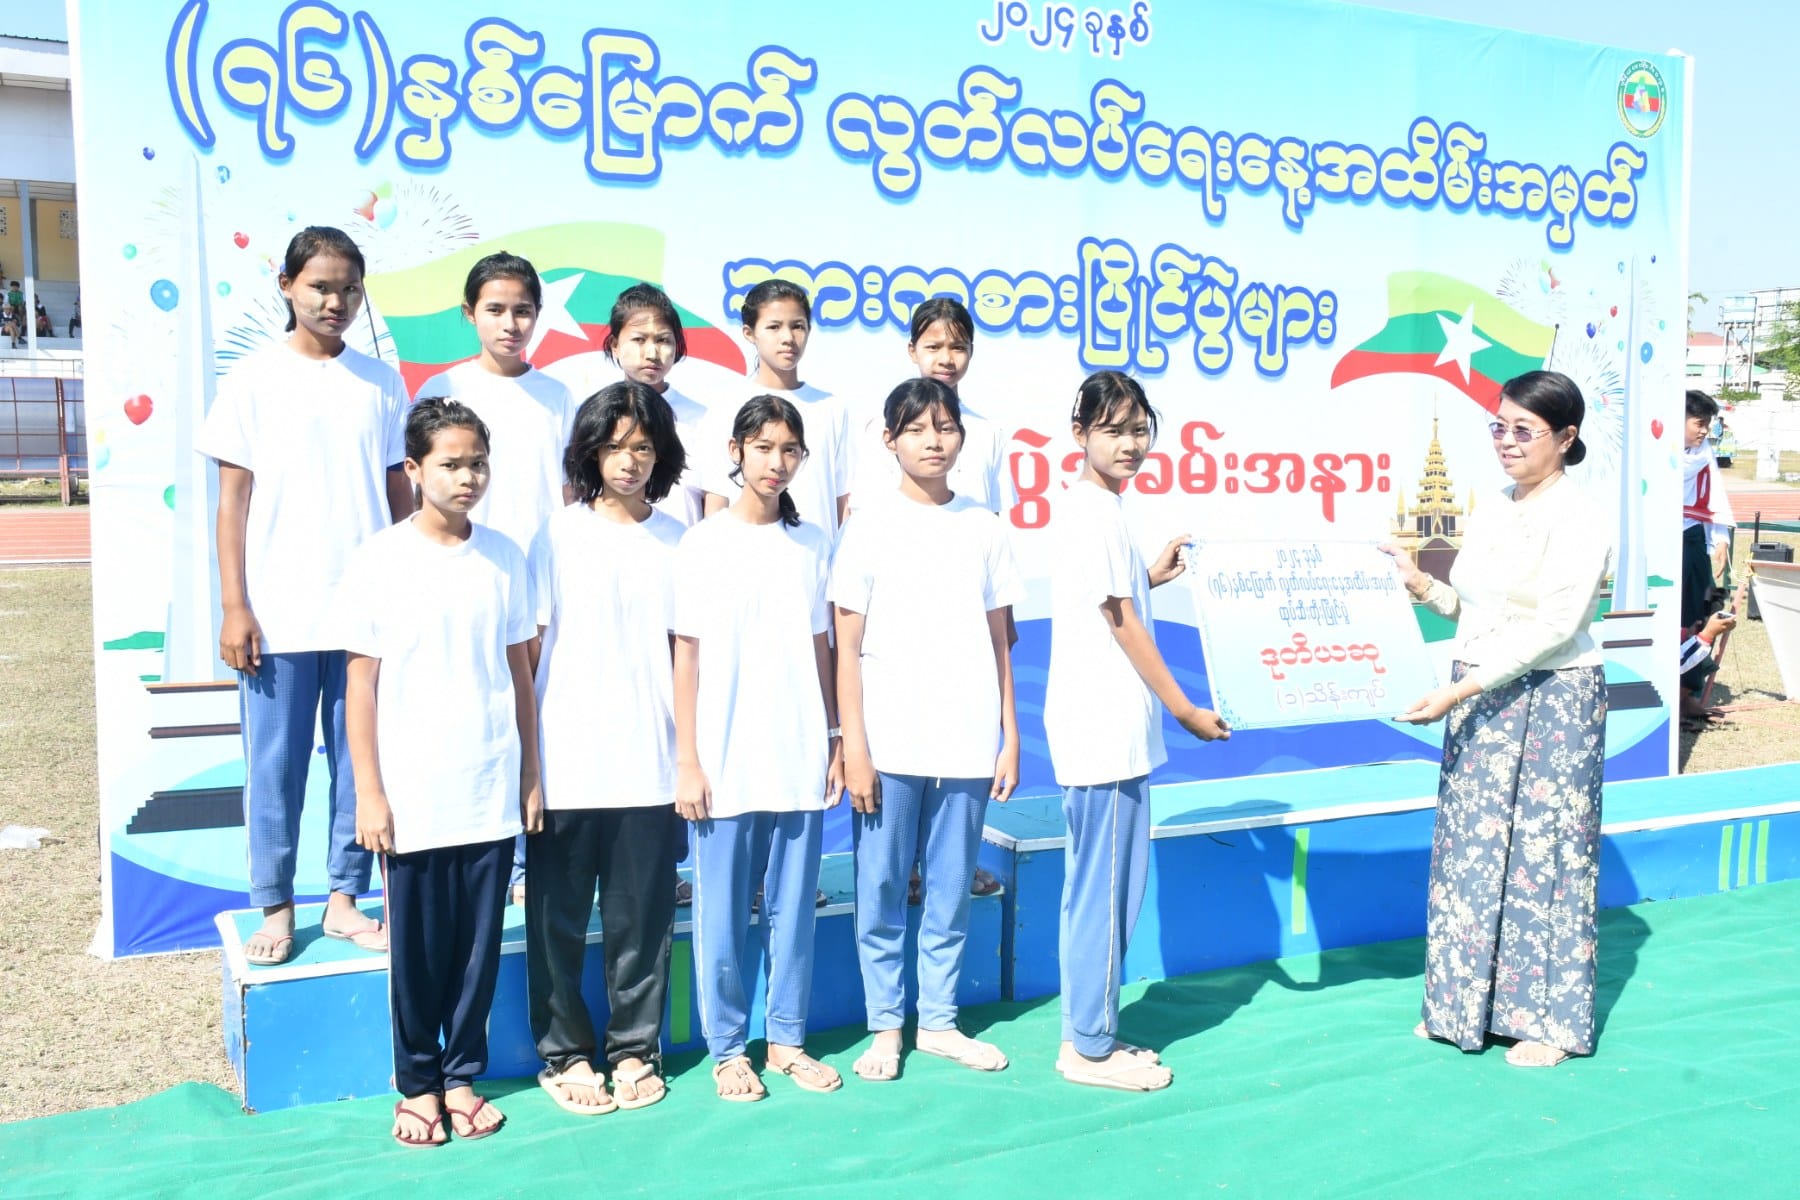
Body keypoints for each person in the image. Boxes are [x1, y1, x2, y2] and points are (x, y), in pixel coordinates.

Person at [1384, 369, 1612, 1070]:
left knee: (1547, 856)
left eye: (1524, 430)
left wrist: (1459, 692)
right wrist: (1421, 584)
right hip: (1480, 690)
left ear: (1565, 437)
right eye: (1499, 426)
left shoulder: (1580, 516)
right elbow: (1479, 608)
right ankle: (1461, 1008)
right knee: (1470, 851)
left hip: (1554, 698)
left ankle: (1548, 1023)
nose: (1507, 442)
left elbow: (1553, 626)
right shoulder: (1493, 507)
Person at [196, 226, 411, 966]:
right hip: (278, 614)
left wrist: (406, 585)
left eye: (350, 288)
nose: (335, 301)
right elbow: (232, 503)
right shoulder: (251, 379)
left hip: (364, 615)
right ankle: (277, 903)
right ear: (287, 285)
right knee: (276, 768)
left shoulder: (383, 383)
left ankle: (345, 899)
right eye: (320, 286)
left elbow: (399, 493)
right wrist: (235, 605)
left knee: (359, 765)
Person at [337, 397, 539, 1147]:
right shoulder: (380, 559)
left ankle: (461, 1078)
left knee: (477, 953)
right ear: (415, 469)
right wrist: (370, 792)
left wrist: (529, 774)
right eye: (451, 464)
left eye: (478, 463)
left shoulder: (505, 557)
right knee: (418, 955)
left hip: (488, 785)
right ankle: (418, 1085)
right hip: (413, 795)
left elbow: (520, 674)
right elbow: (361, 683)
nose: (467, 477)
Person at [1044, 371, 1230, 1092]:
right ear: (1080, 434)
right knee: (1105, 891)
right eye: (1113, 430)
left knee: (1101, 888)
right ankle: (1089, 1050)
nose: (1129, 443)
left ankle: (1090, 1030)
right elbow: (1119, 622)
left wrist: (1150, 575)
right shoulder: (1091, 512)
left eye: (1139, 430)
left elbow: (1108, 599)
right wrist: (1185, 710)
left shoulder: (1102, 511)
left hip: (1107, 730)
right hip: (1104, 732)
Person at [833, 377, 1022, 1083]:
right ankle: (886, 1026)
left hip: (966, 739)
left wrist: (1009, 734)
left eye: (945, 428)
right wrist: (854, 745)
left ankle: (939, 1021)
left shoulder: (984, 526)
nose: (933, 441)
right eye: (916, 429)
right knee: (882, 886)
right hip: (888, 742)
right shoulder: (868, 525)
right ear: (890, 440)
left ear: (962, 438)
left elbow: (1001, 640)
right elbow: (846, 645)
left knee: (949, 887)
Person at [675, 395, 845, 1102]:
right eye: (764, 447)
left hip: (798, 752)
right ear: (736, 452)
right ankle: (726, 1048)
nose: (777, 463)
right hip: (725, 760)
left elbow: (822, 648)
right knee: (721, 915)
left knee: (793, 909)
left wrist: (835, 737)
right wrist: (688, 758)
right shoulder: (702, 544)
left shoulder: (813, 545)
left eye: (790, 450)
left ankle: (786, 1040)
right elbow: (686, 655)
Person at [526, 381, 687, 1115]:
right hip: (565, 761)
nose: (629, 461)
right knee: (556, 922)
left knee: (641, 924)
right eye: (615, 446)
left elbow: (688, 658)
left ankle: (634, 1050)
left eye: (643, 447)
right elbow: (530, 648)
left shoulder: (679, 541)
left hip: (649, 762)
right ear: (590, 452)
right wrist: (529, 763)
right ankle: (564, 1055)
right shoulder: (557, 534)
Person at [412, 251, 576, 907]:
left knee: (531, 714)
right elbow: (419, 492)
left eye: (523, 311)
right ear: (469, 313)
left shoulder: (557, 396)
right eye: (496, 310)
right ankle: (479, 856)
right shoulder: (443, 389)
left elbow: (571, 496)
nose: (511, 323)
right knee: (471, 712)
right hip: (460, 577)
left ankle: (530, 861)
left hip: (536, 584)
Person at [851, 297, 1014, 904]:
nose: (947, 357)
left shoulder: (987, 432)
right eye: (934, 345)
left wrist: (1004, 622)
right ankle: (909, 870)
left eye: (958, 346)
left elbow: (994, 522)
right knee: (899, 766)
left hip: (966, 613)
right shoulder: (880, 429)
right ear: (911, 350)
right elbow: (864, 515)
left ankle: (950, 868)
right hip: (899, 620)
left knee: (957, 750)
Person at [701, 280, 851, 540]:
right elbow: (717, 496)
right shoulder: (726, 405)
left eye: (798, 326)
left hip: (815, 556)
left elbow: (842, 499)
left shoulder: (831, 407)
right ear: (749, 333)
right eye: (774, 327)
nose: (788, 338)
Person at [606, 282, 709, 526]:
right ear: (615, 345)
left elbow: (715, 498)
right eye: (639, 339)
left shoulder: (702, 420)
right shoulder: (596, 415)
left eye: (663, 340)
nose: (652, 353)